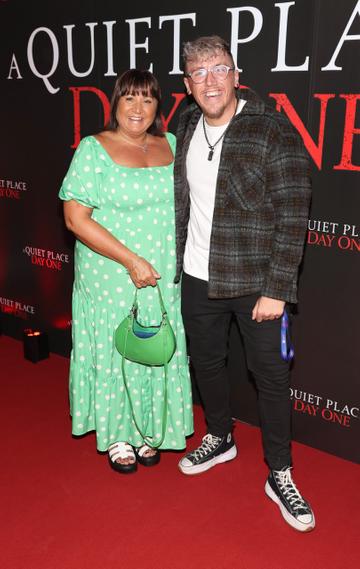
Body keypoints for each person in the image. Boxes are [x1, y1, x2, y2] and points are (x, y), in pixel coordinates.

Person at [174, 36, 314, 532]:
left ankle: (280, 473)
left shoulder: (270, 128)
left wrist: (277, 288)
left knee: (272, 381)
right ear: (188, 86)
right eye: (198, 73)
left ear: (237, 75)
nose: (209, 80)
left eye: (219, 69)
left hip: (256, 283)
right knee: (207, 365)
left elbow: (295, 209)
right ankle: (220, 436)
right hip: (196, 275)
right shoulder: (186, 124)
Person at [59, 69, 193, 474]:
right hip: (111, 273)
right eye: (130, 98)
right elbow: (75, 220)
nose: (138, 108)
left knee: (153, 347)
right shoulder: (92, 149)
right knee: (116, 348)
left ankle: (148, 426)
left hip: (163, 274)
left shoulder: (170, 144)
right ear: (115, 103)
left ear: (158, 107)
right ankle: (119, 432)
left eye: (148, 100)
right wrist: (130, 260)